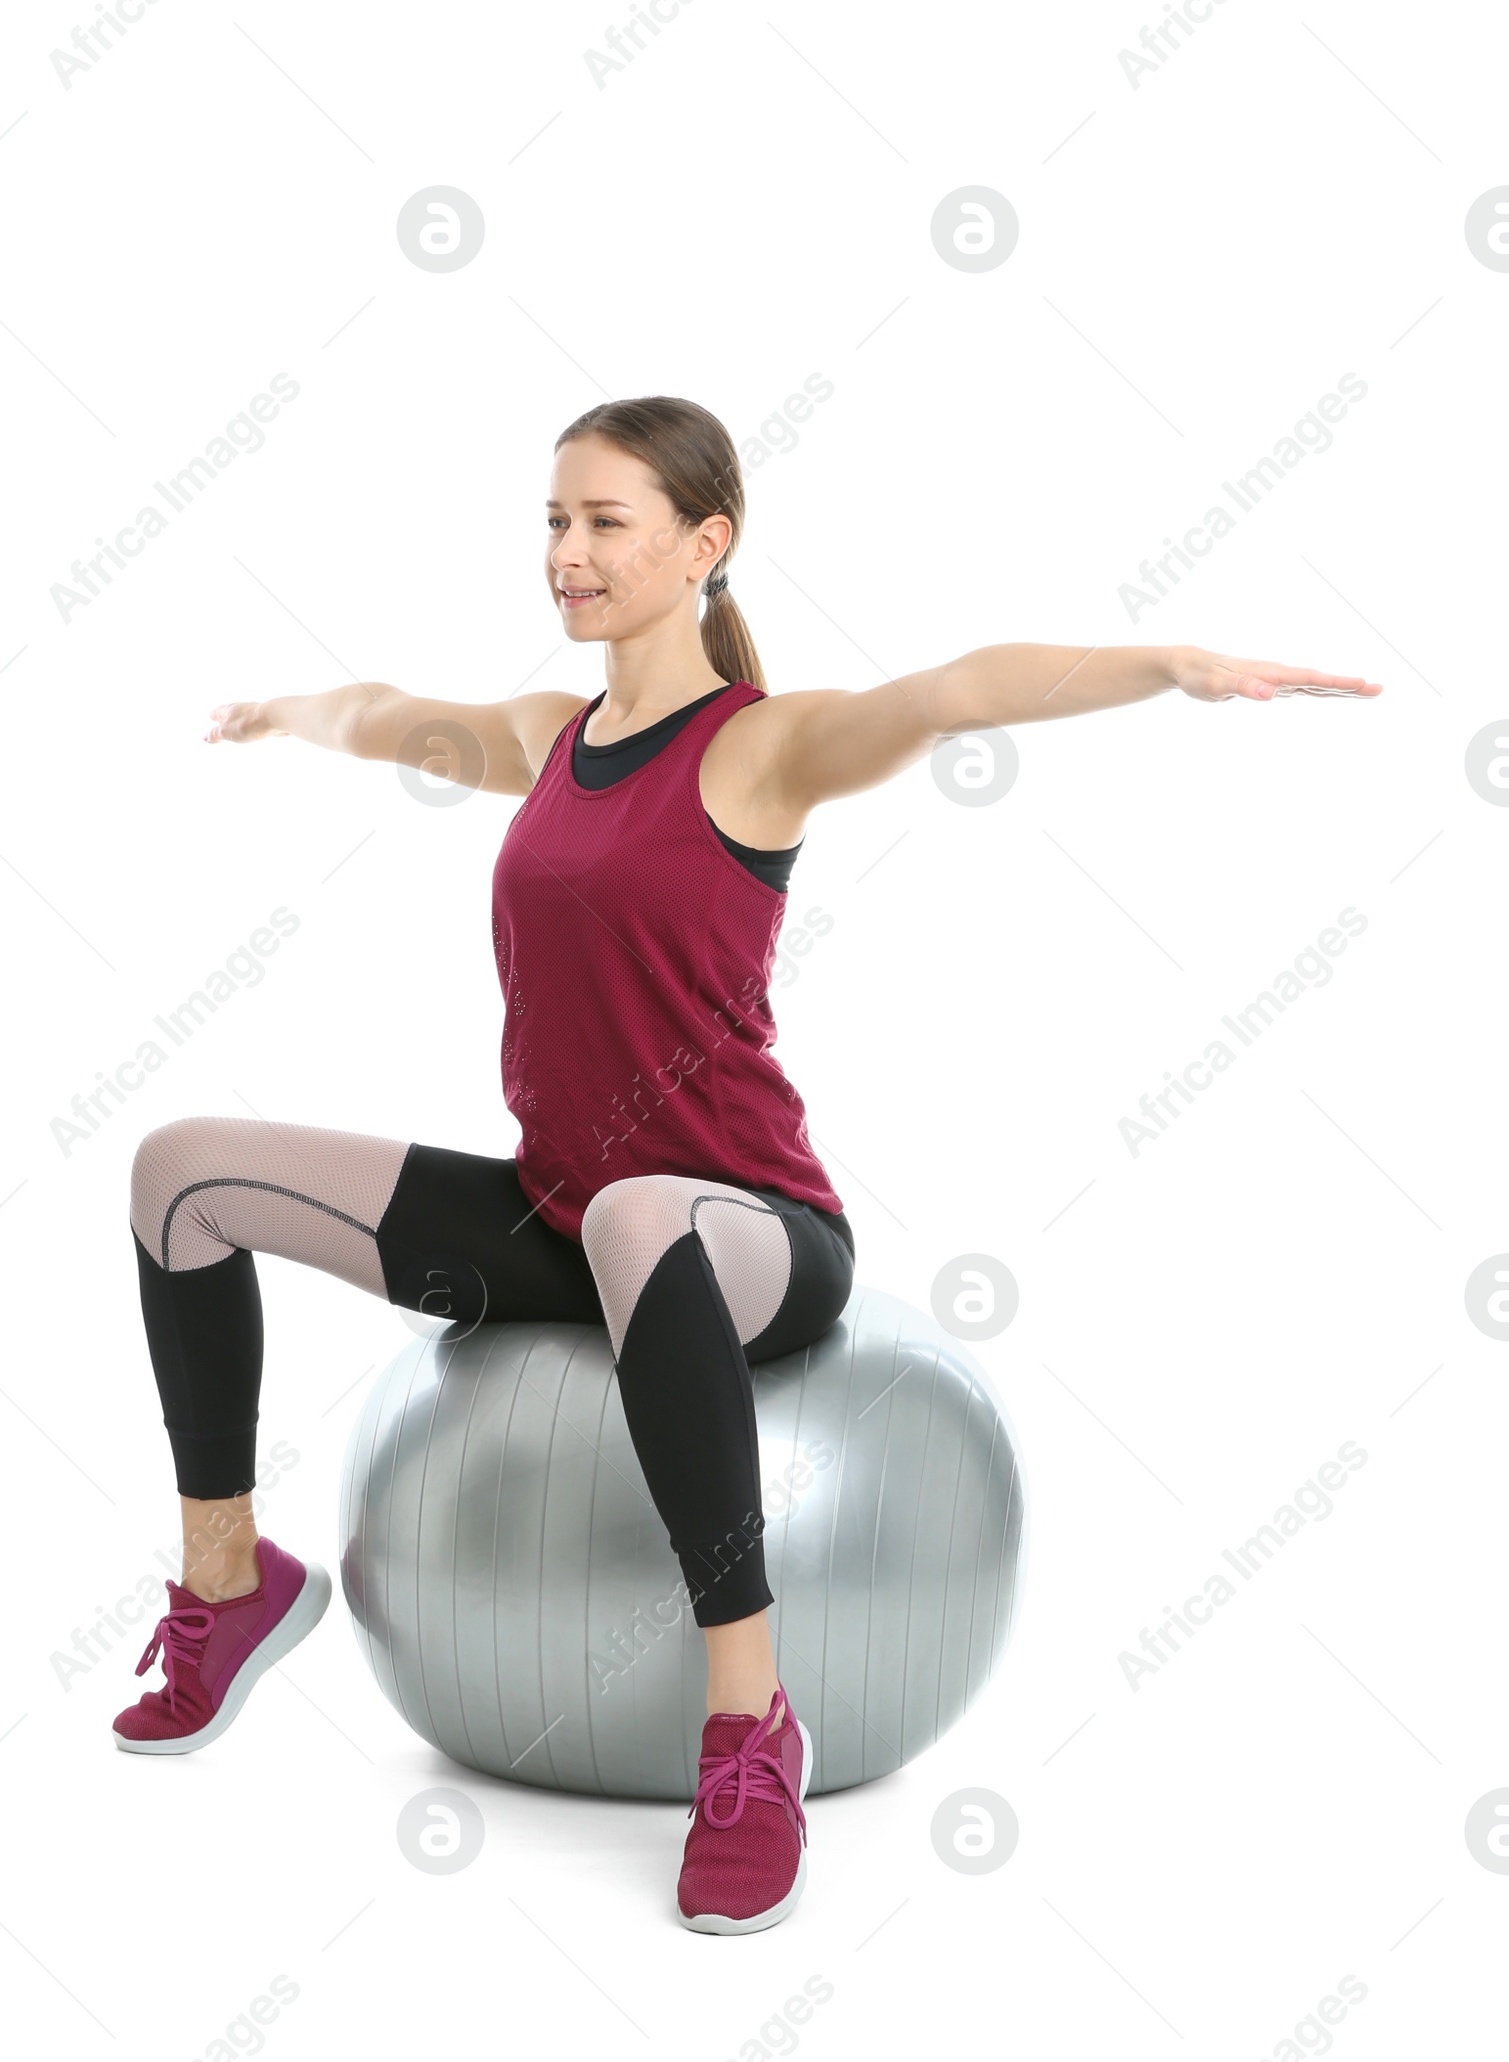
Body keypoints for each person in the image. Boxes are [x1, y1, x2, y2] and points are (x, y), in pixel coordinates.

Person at [114, 394, 1381, 1933]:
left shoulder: (763, 749)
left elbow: (956, 689)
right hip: (561, 1213)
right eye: (554, 523)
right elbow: (393, 713)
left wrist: (1169, 667)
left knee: (646, 1213)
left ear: (706, 544)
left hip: (751, 1227)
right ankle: (229, 1580)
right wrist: (286, 709)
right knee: (178, 1172)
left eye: (604, 524)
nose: (567, 554)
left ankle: (749, 1726)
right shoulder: (548, 737)